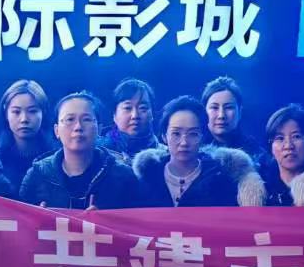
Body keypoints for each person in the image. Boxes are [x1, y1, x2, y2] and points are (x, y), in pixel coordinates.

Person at [131, 95, 264, 208]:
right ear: (164, 136)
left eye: (193, 134)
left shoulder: (221, 179)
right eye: (176, 133)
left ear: (202, 137)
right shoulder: (147, 176)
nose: (184, 142)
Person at [19, 91, 143, 210]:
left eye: (86, 119)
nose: (78, 127)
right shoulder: (37, 175)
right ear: (56, 131)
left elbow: (137, 220)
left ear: (99, 129)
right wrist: (37, 218)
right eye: (70, 119)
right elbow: (19, 220)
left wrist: (106, 219)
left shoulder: (123, 176)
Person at [0, 78, 53, 192]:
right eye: (16, 112)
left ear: (43, 113)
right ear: (6, 114)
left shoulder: (58, 155)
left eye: (32, 111)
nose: (24, 119)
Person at [202, 75, 262, 156]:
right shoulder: (192, 151)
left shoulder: (257, 155)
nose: (221, 115)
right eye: (214, 107)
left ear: (240, 112)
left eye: (229, 107)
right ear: (204, 112)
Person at [103, 77, 159, 160]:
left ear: (152, 114)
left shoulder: (165, 156)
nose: (135, 115)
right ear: (114, 115)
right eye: (127, 108)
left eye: (142, 108)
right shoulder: (99, 155)